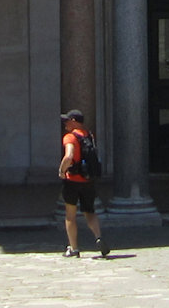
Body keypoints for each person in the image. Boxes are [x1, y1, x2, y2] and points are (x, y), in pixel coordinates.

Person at [58, 108, 109, 258]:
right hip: (88, 180)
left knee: (70, 215)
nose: (65, 124)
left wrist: (62, 170)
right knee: (90, 211)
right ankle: (98, 237)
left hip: (72, 181)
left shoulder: (70, 137)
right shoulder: (89, 135)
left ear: (74, 121)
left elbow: (69, 156)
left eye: (67, 121)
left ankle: (74, 248)